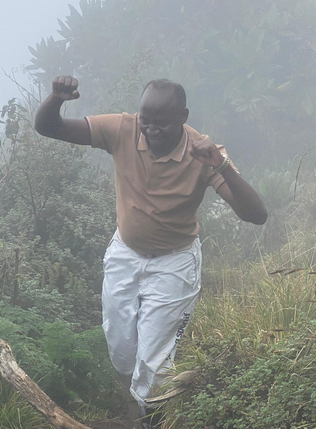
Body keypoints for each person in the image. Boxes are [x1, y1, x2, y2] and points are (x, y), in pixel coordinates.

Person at [35, 76, 267, 427]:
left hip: (175, 263)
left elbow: (256, 215)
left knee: (155, 365)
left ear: (183, 116)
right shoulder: (122, 129)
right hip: (125, 254)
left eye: (162, 122)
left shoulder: (204, 152)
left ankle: (153, 419)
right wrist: (55, 99)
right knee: (122, 352)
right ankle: (137, 408)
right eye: (146, 119)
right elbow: (49, 128)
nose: (151, 129)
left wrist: (219, 165)